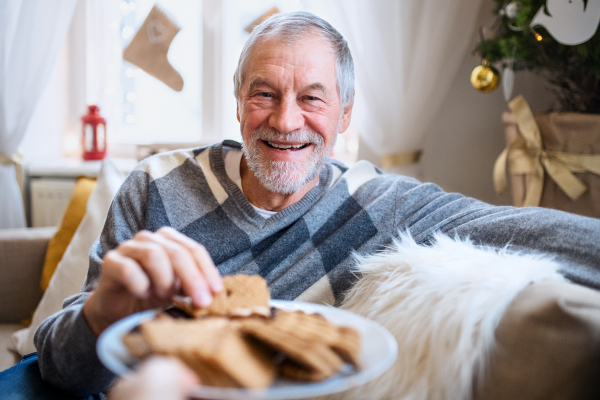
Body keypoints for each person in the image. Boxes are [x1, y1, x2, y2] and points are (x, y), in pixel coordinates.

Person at [2, 10, 599, 399]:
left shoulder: (377, 202)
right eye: (265, 94)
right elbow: (60, 366)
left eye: (312, 98)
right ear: (239, 103)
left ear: (344, 114)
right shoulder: (155, 183)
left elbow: (530, 230)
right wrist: (103, 312)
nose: (286, 120)